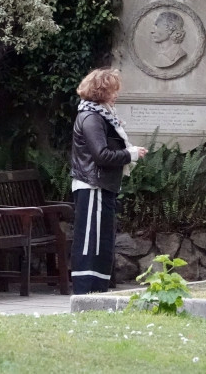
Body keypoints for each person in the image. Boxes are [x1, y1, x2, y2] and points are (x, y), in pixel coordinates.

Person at [69, 68, 148, 294]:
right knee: (90, 241)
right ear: (100, 91)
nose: (116, 95)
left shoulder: (98, 116)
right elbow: (101, 155)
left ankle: (97, 291)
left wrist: (129, 151)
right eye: (112, 90)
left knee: (101, 241)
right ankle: (86, 292)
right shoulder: (91, 117)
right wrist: (130, 154)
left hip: (100, 185)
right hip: (92, 185)